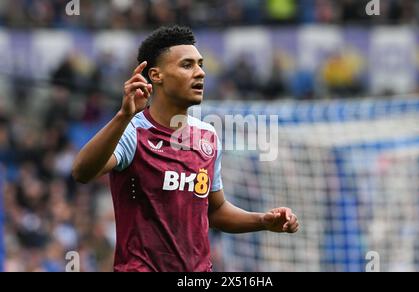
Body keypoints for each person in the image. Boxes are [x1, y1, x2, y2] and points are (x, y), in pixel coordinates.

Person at [72, 26, 299, 272]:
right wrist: (122, 115)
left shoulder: (207, 136)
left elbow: (215, 210)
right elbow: (82, 172)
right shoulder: (132, 130)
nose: (200, 73)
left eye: (200, 64)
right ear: (156, 76)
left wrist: (263, 220)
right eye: (187, 65)